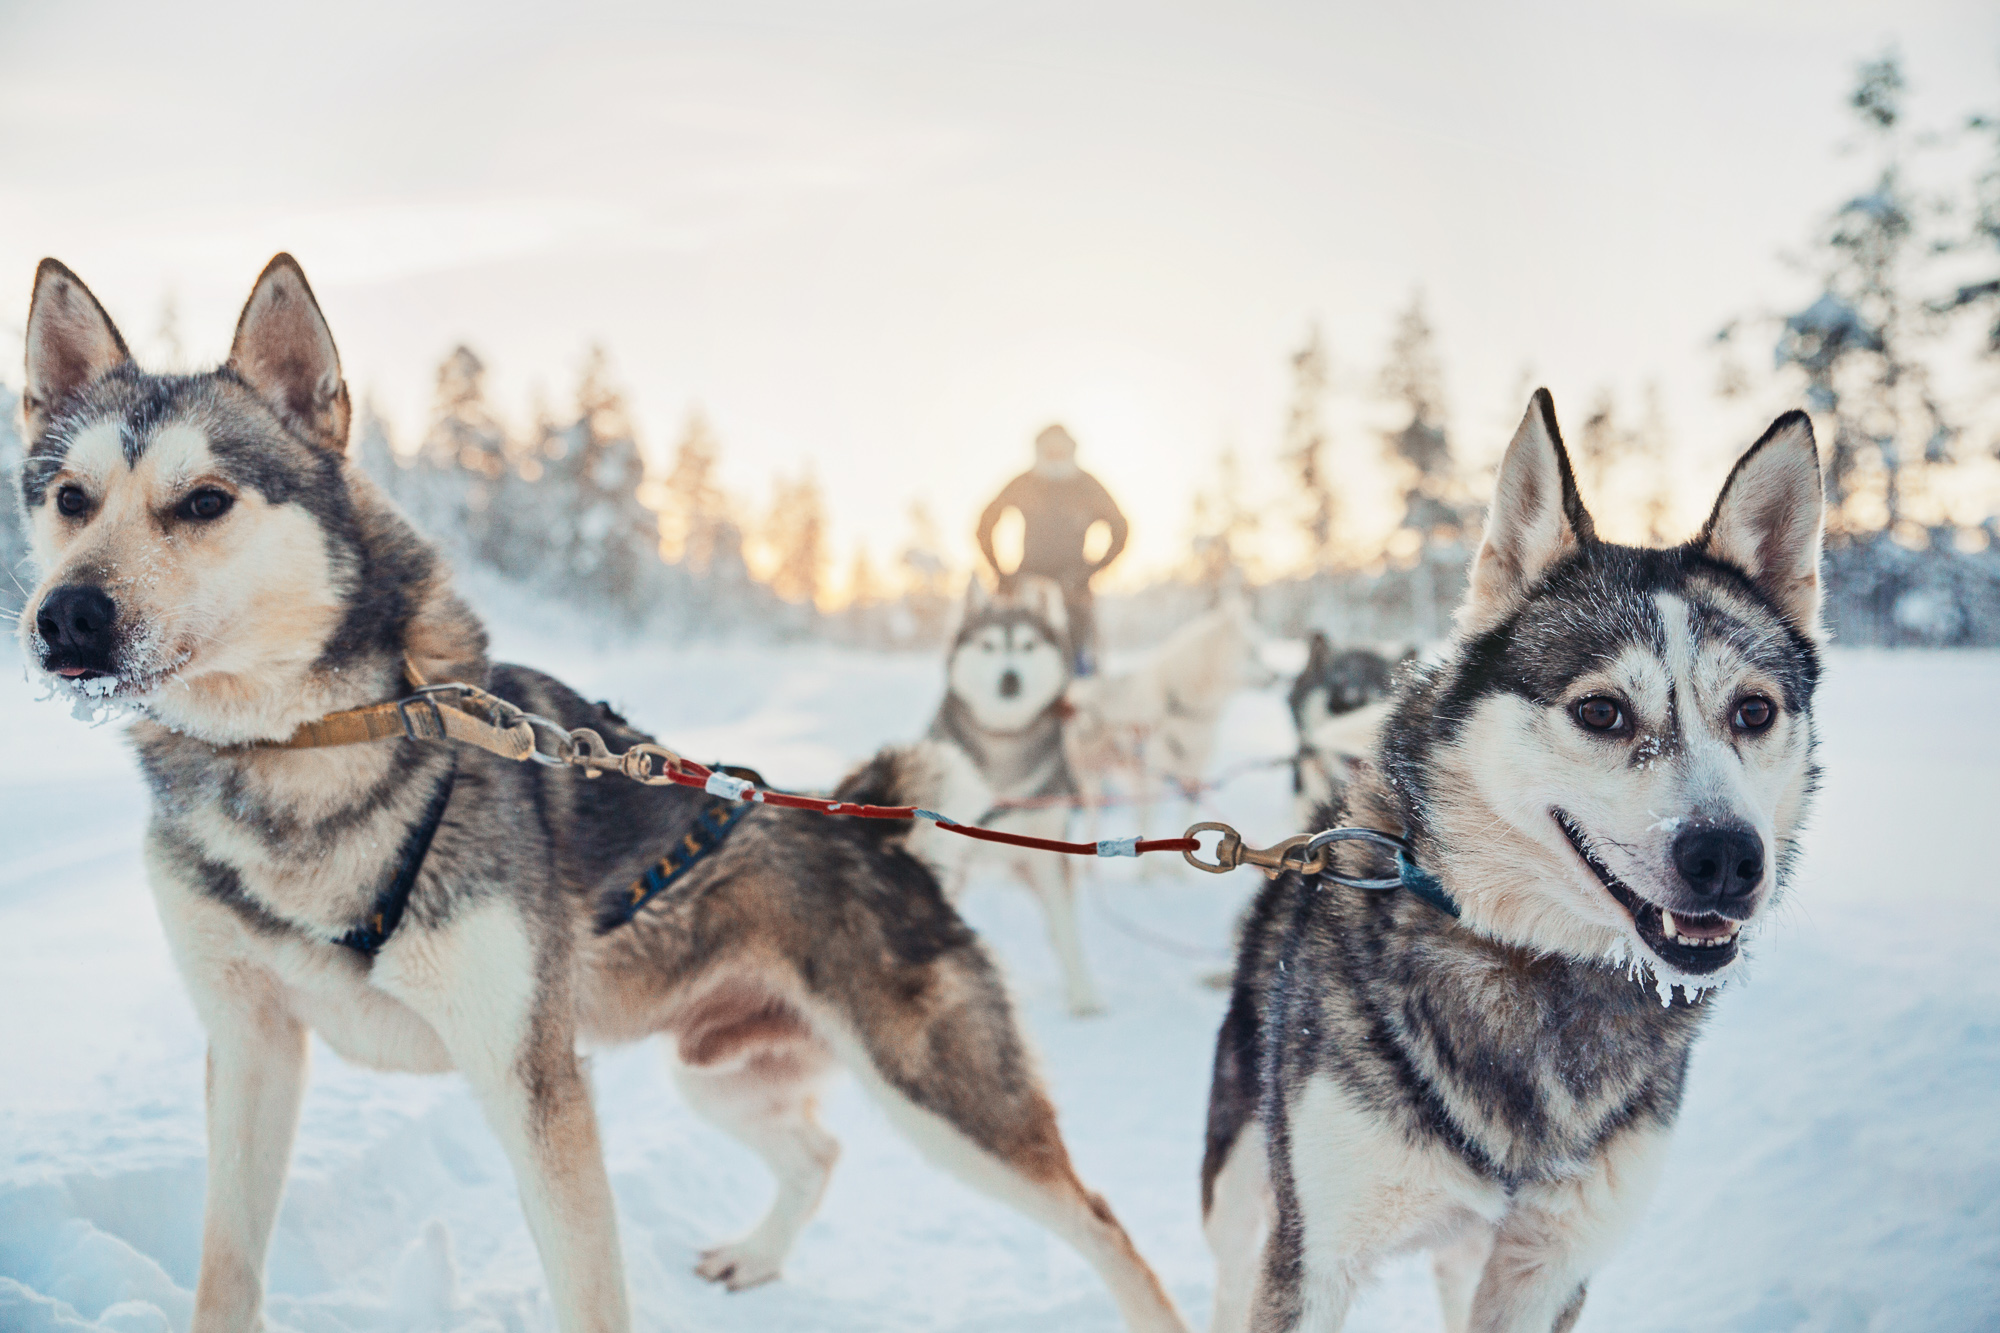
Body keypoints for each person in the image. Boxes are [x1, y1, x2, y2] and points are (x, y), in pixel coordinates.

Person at [976, 424, 1128, 674]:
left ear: (1071, 451)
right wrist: (1001, 573)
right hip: (1027, 587)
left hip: (1073, 590)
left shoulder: (1086, 485)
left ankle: (1079, 698)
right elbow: (985, 523)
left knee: (1080, 663)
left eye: (1061, 449)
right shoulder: (1025, 483)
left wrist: (1091, 571)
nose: (1055, 455)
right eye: (1049, 450)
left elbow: (1120, 528)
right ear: (1039, 451)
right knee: (1022, 656)